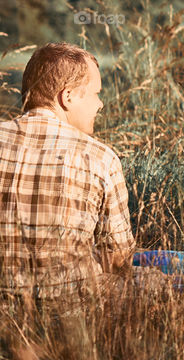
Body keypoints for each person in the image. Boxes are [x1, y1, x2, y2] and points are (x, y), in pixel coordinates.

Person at [0, 42, 134, 344]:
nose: (100, 104)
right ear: (68, 96)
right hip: (68, 323)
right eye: (96, 94)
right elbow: (119, 259)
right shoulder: (100, 157)